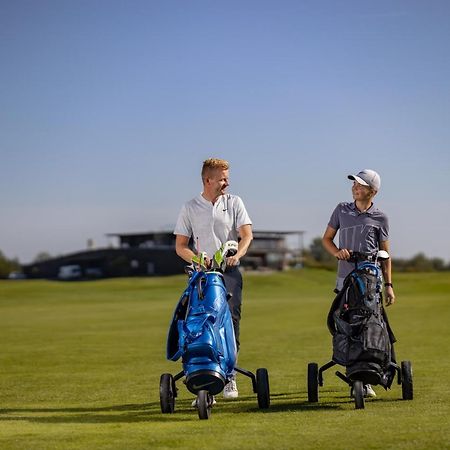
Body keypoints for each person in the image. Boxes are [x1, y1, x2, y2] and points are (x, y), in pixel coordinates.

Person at [174, 157, 253, 400]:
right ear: (208, 180)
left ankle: (229, 376)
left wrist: (237, 255)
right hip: (201, 274)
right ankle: (203, 375)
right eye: (222, 178)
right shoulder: (190, 207)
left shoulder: (234, 202)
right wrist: (198, 260)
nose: (226, 182)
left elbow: (246, 236)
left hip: (228, 272)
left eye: (227, 178)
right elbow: (180, 246)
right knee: (201, 323)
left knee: (230, 321)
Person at [322, 169, 396, 398]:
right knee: (347, 324)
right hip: (346, 279)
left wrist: (390, 286)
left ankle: (368, 373)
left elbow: (385, 254)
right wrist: (337, 252)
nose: (355, 187)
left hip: (372, 280)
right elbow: (326, 239)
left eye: (361, 185)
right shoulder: (341, 210)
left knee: (370, 323)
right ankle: (356, 373)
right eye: (354, 183)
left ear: (372, 191)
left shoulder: (380, 217)